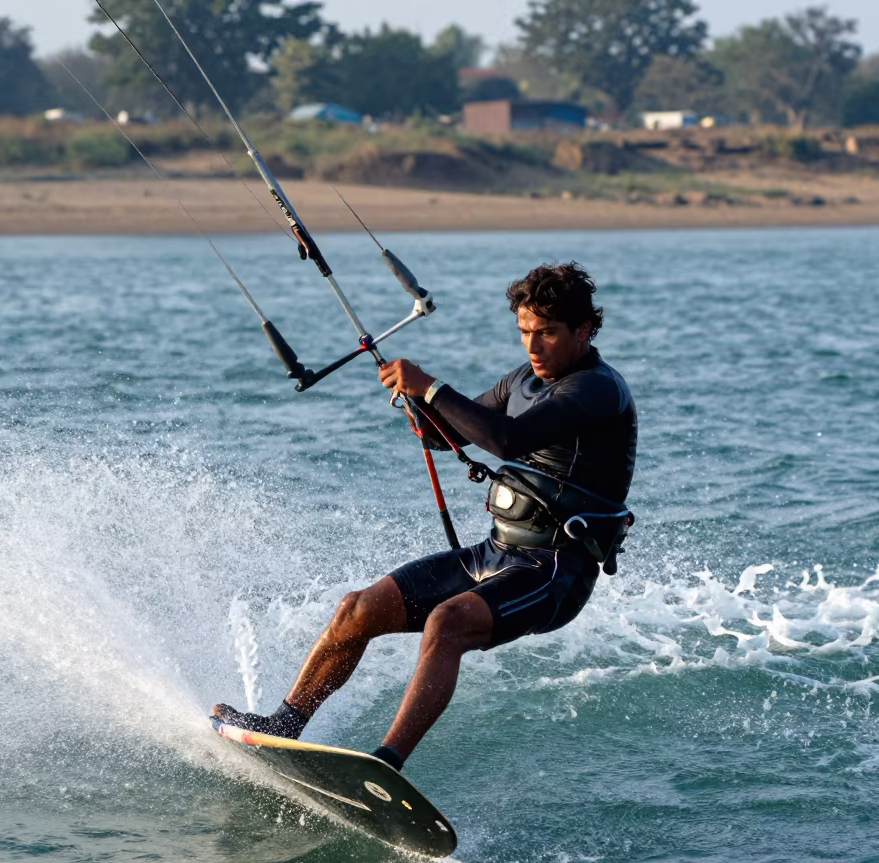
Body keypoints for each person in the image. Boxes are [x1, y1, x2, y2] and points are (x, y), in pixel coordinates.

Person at [212, 262, 637, 771]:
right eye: (524, 332)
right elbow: (448, 435)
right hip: (495, 553)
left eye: (546, 333)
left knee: (447, 622)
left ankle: (386, 764)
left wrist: (431, 387)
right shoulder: (522, 380)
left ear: (584, 329)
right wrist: (416, 400)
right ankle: (285, 722)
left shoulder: (596, 389)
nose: (533, 346)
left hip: (553, 570)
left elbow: (508, 440)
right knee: (358, 609)